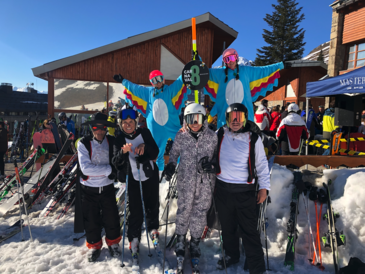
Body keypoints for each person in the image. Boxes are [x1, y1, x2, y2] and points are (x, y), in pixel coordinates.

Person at [213, 103, 269, 274]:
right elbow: (203, 141)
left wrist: (264, 188)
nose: (235, 121)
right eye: (232, 117)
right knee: (227, 227)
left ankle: (256, 266)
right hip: (222, 190)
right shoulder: (220, 133)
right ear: (227, 119)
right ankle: (232, 255)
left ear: (245, 119)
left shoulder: (253, 138)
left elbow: (261, 164)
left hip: (245, 192)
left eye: (239, 117)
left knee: (249, 230)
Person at [164, 103, 217, 273]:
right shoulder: (182, 136)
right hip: (185, 181)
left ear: (204, 119)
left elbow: (218, 157)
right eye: (191, 119)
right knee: (184, 210)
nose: (195, 123)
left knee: (200, 212)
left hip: (205, 182)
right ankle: (180, 239)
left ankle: (194, 242)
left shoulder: (212, 136)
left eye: (198, 119)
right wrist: (171, 165)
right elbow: (174, 154)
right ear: (186, 120)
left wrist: (212, 165)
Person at [113, 70, 190, 170]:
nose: (157, 82)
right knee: (157, 153)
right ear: (151, 82)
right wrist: (123, 81)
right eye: (154, 80)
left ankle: (180, 168)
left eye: (159, 78)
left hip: (172, 126)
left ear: (163, 79)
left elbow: (180, 80)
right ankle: (158, 173)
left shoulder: (170, 90)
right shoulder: (148, 93)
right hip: (156, 129)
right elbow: (135, 88)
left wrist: (189, 68)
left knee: (184, 146)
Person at [112, 106, 160, 265]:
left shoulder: (144, 133)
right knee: (135, 210)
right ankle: (134, 239)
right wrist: (123, 153)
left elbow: (155, 152)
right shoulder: (118, 139)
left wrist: (145, 148)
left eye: (130, 122)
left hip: (150, 175)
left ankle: (153, 230)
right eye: (124, 122)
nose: (128, 125)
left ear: (136, 122)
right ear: (120, 124)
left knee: (152, 205)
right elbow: (115, 163)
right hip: (132, 179)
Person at [77, 112, 121, 262]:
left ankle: (113, 243)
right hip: (88, 189)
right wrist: (108, 170)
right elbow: (86, 169)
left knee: (112, 217)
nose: (99, 131)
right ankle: (95, 245)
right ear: (91, 128)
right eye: (96, 127)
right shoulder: (83, 143)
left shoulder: (112, 141)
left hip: (107, 188)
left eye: (103, 128)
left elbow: (118, 160)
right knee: (91, 219)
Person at [204, 48, 284, 128]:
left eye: (232, 58)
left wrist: (281, 65)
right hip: (224, 121)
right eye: (227, 59)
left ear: (236, 58)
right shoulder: (219, 73)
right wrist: (197, 62)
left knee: (245, 136)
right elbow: (204, 72)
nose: (230, 61)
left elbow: (264, 70)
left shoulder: (246, 71)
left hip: (245, 119)